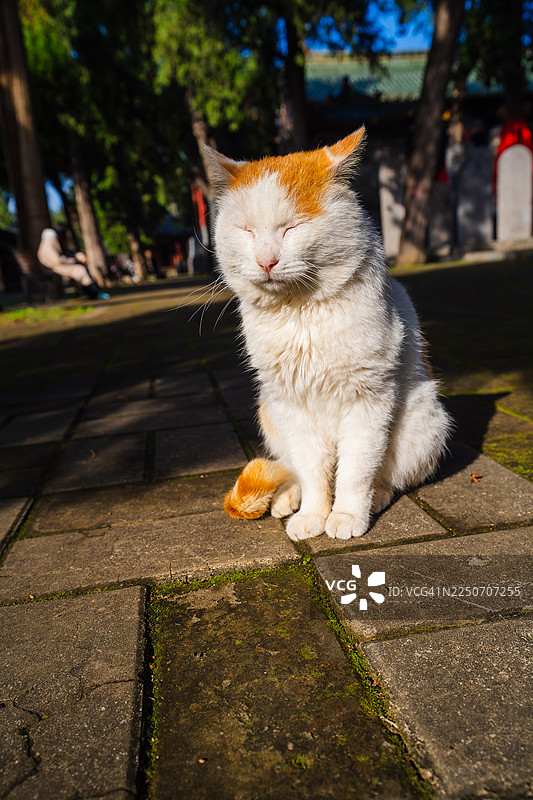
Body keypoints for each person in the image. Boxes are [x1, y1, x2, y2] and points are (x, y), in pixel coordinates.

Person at [37, 229, 110, 300]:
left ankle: (93, 292)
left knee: (80, 271)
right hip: (55, 268)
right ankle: (94, 293)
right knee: (80, 270)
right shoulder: (48, 245)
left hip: (57, 267)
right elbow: (58, 260)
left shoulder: (46, 245)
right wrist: (74, 260)